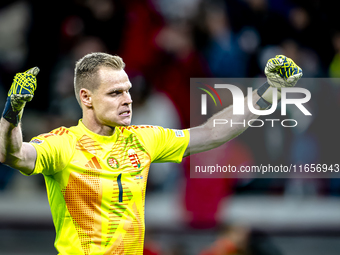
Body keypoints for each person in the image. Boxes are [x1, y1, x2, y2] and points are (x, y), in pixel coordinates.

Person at [0, 53, 302, 254]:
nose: (128, 100)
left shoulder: (144, 139)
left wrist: (269, 91)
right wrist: (12, 112)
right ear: (86, 98)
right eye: (115, 93)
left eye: (128, 90)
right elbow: (13, 154)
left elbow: (212, 132)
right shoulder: (62, 143)